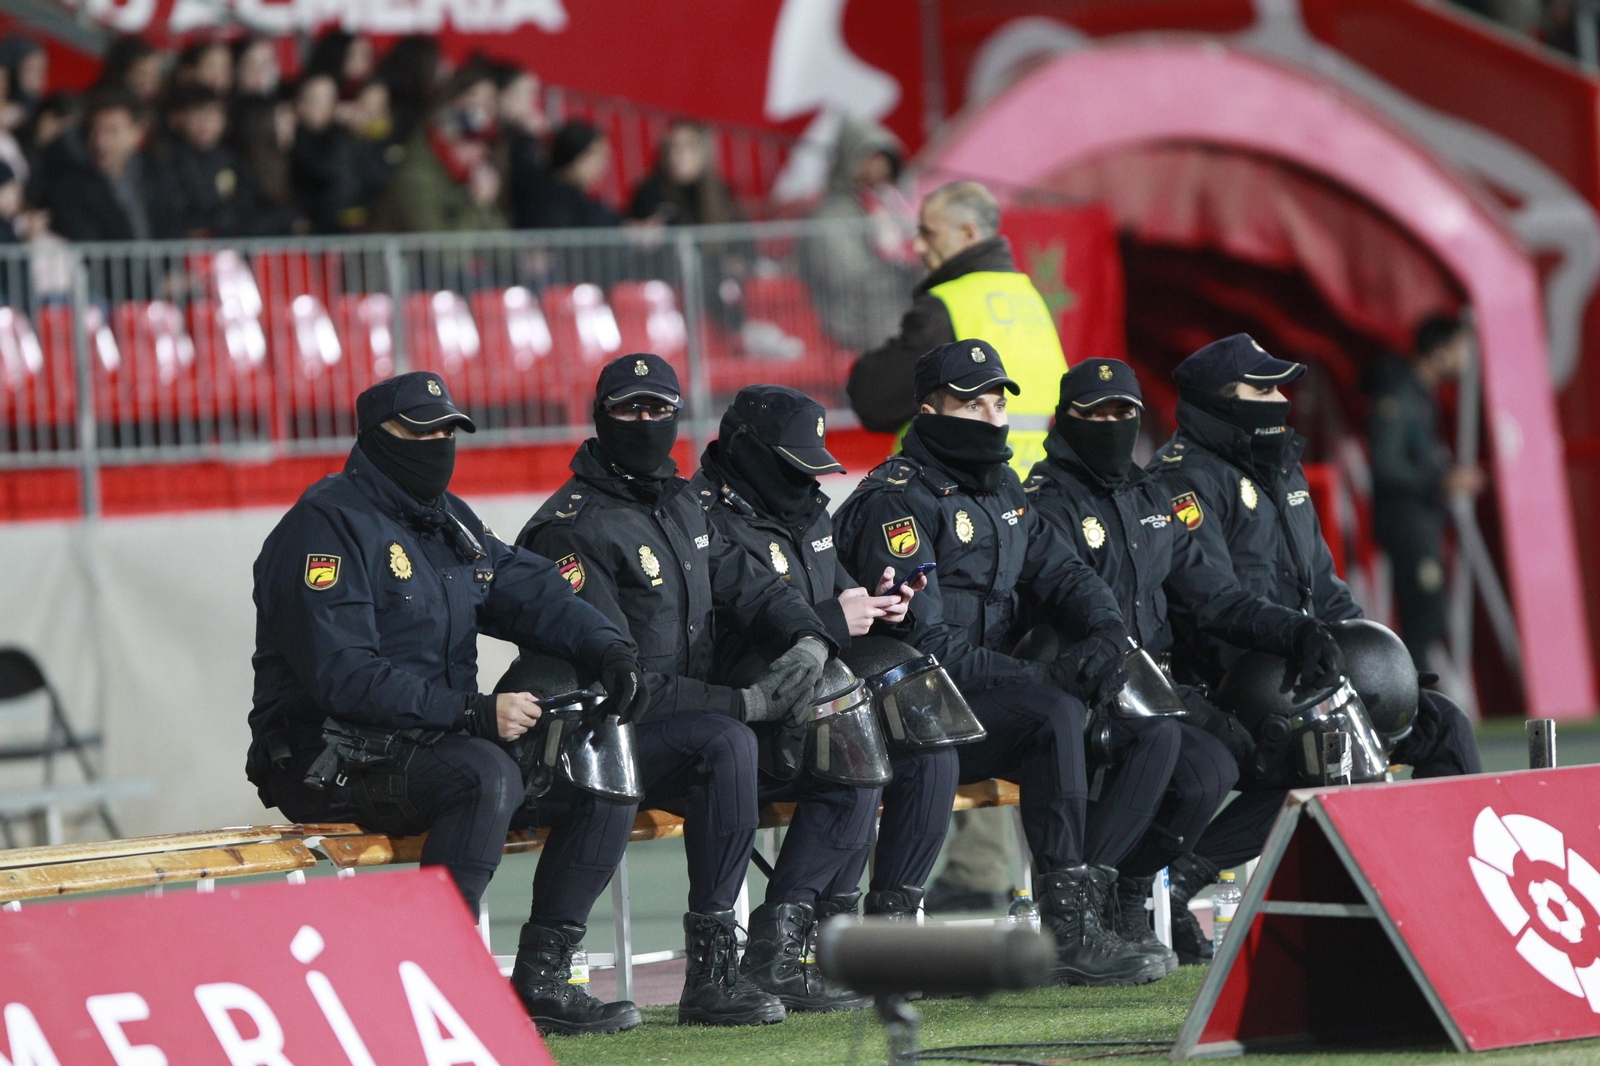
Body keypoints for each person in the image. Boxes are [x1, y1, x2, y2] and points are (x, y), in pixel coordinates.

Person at [247, 369, 646, 944]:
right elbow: (345, 679)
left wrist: (610, 648)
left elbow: (531, 591)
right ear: (375, 435)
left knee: (601, 763)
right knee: (483, 777)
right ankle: (428, 971)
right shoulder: (325, 527)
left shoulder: (445, 518)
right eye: (421, 433)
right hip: (329, 757)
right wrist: (474, 714)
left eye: (448, 433)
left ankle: (546, 969)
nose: (439, 447)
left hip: (430, 742)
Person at [519, 353, 861, 1025]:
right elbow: (620, 681)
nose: (646, 422)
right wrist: (743, 704)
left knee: (846, 736)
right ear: (600, 416)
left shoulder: (681, 505)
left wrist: (812, 637)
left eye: (659, 408)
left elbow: (754, 586)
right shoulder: (572, 527)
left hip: (686, 733)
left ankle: (778, 954)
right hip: (597, 739)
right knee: (728, 739)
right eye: (630, 408)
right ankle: (708, 975)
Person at [834, 339, 1170, 987]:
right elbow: (931, 649)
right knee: (1054, 711)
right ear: (929, 408)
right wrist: (1044, 678)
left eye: (997, 402)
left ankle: (1084, 912)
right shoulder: (895, 502)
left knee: (1138, 718)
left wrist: (1105, 631)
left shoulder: (1004, 492)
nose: (992, 418)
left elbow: (1065, 573)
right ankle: (1025, 930)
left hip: (981, 705)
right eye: (972, 403)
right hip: (908, 713)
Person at [1151, 333, 1483, 961]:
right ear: (1222, 400)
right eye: (1264, 387)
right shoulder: (1181, 482)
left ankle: (1458, 884)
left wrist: (1383, 665)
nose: (1281, 398)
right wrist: (1304, 641)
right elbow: (1211, 602)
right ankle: (1184, 875)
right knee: (1330, 743)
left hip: (1309, 669)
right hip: (1231, 681)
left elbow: (1327, 591)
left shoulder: (1283, 470)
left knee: (1439, 723)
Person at [1024, 358, 1348, 964]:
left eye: (1123, 412)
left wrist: (1296, 632)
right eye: (1094, 413)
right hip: (1085, 685)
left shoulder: (1149, 495)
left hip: (1158, 684)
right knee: (1191, 762)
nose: (1110, 423)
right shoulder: (1046, 503)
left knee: (1257, 760)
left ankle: (1135, 890)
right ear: (1064, 419)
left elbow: (1212, 596)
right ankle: (1085, 911)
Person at [691, 386, 951, 933]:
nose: (805, 481)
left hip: (822, 710)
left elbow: (839, 607)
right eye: (792, 466)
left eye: (811, 467)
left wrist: (886, 606)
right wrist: (835, 620)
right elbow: (729, 639)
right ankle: (789, 934)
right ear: (746, 448)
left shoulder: (809, 514)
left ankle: (887, 928)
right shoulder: (699, 521)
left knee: (929, 746)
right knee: (854, 745)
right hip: (747, 717)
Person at [848, 181, 1067, 477]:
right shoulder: (1029, 296)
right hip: (1028, 484)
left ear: (968, 234)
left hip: (954, 488)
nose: (918, 246)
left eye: (928, 233)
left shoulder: (947, 303)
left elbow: (875, 399)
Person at [1362, 314, 1484, 668]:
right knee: (1422, 617)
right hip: (1405, 520)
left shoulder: (1420, 394)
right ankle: (1408, 703)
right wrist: (1442, 481)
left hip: (1421, 518)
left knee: (1429, 616)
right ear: (1440, 351)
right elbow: (1386, 464)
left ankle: (1416, 701)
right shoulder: (1399, 392)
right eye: (1462, 348)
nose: (1467, 359)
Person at [800, 114, 919, 352]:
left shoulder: (886, 205)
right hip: (854, 316)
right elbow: (847, 275)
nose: (879, 168)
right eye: (871, 158)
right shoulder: (831, 214)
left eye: (885, 160)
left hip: (890, 307)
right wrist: (902, 276)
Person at [370, 63, 505, 233]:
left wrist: (482, 204)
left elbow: (505, 251)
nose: (480, 110)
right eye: (471, 98)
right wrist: (475, 205)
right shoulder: (415, 175)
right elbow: (444, 255)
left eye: (489, 101)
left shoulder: (477, 176)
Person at [43, 91, 177, 243]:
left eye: (112, 131)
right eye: (94, 130)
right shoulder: (71, 186)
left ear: (136, 134)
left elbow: (173, 223)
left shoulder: (157, 173)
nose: (100, 142)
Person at [160, 85, 263, 238]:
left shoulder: (234, 159)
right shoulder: (167, 160)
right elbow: (175, 208)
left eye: (212, 115)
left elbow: (246, 204)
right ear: (181, 118)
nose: (205, 122)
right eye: (198, 113)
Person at [521, 120, 621, 229]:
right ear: (577, 156)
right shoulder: (553, 201)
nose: (603, 165)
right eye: (599, 157)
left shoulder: (537, 190)